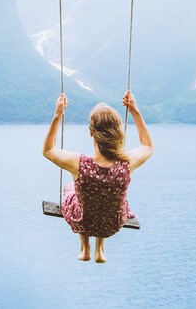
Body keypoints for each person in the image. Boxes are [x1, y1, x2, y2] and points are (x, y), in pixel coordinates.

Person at [42, 91, 153, 263]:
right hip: (111, 226)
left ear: (91, 132)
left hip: (82, 222)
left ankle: (85, 248)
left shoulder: (79, 164)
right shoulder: (126, 164)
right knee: (107, 198)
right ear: (118, 133)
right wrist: (134, 110)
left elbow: (48, 150)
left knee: (72, 187)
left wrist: (58, 115)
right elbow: (147, 146)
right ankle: (99, 250)